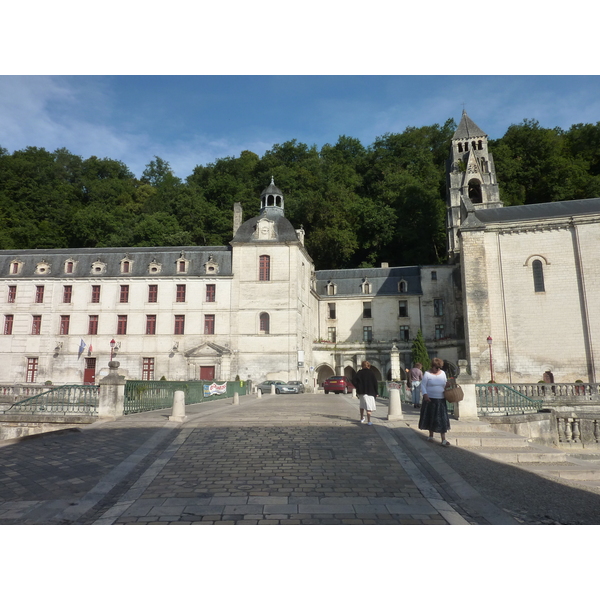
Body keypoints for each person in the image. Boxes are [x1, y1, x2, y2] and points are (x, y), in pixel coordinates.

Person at [418, 357, 451, 446]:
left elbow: (444, 384)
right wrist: (425, 395)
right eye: (436, 367)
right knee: (431, 417)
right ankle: (431, 435)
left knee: (442, 419)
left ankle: (443, 439)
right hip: (430, 399)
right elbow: (423, 385)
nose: (438, 369)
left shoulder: (443, 373)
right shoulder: (427, 374)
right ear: (432, 366)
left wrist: (447, 385)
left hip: (441, 399)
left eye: (439, 368)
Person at [352, 360, 378, 425]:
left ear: (362, 366)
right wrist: (376, 392)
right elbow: (375, 383)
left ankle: (361, 418)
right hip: (370, 391)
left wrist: (358, 386)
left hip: (361, 392)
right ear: (368, 366)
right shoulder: (371, 373)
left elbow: (353, 381)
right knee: (369, 408)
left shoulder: (359, 372)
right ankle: (369, 421)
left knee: (362, 405)